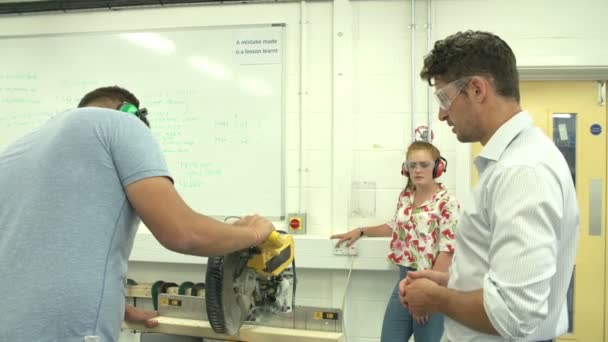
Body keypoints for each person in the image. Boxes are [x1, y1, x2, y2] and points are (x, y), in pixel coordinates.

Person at [0, 86, 276, 342]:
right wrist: (254, 232)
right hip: (67, 330)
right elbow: (184, 234)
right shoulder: (123, 123)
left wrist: (112, 303)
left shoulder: (18, 149)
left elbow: (39, 248)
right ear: (130, 112)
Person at [399, 31, 580, 342]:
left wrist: (436, 298)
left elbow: (513, 314)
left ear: (477, 89)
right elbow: (502, 275)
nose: (442, 114)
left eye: (444, 99)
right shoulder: (512, 161)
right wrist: (450, 282)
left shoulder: (523, 171)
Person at [331, 141, 460, 342]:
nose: (417, 170)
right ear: (405, 169)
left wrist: (426, 292)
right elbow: (395, 227)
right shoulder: (406, 196)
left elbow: (448, 251)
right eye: (412, 165)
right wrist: (361, 230)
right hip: (404, 281)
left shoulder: (447, 202)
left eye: (424, 165)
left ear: (437, 167)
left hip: (432, 286)